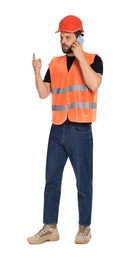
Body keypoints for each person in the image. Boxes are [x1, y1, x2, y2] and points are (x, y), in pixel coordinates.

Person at [27, 15, 103, 245]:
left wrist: (80, 57)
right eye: (62, 36)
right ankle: (50, 227)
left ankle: (84, 227)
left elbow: (94, 84)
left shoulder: (93, 59)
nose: (63, 40)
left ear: (80, 36)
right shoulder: (55, 63)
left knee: (83, 182)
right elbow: (43, 93)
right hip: (57, 129)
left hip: (80, 130)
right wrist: (37, 72)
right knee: (51, 181)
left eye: (68, 36)